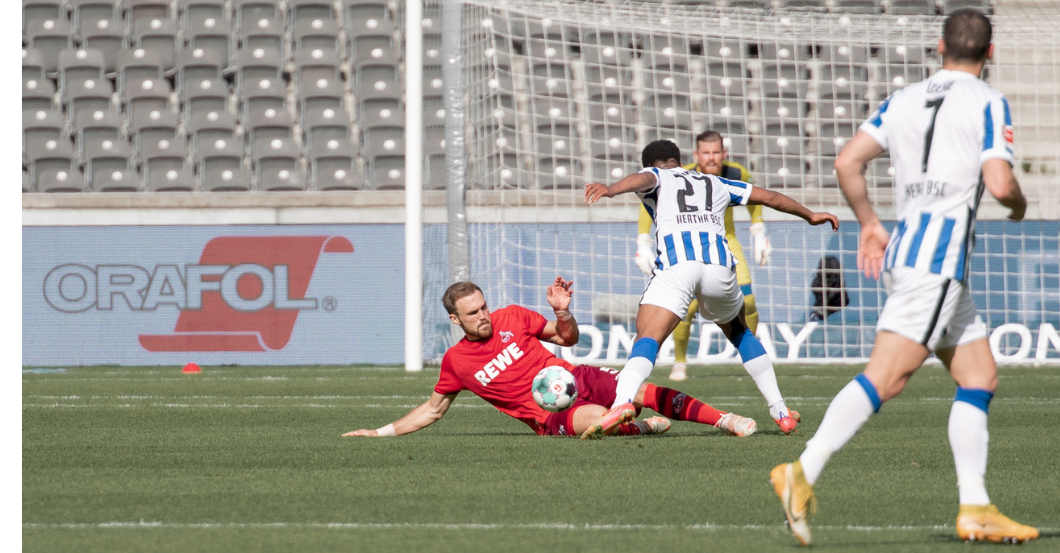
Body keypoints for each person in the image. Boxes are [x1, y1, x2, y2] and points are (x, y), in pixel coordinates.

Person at [769, 9, 1038, 546]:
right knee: (887, 378)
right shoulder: (988, 100)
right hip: (935, 264)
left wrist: (870, 223)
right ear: (989, 54)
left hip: (915, 257)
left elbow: (848, 161)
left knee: (979, 377)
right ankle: (801, 470)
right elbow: (1000, 181)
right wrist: (1017, 205)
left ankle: (975, 507)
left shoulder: (904, 98)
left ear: (939, 47)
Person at [583, 140, 838, 441]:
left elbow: (643, 179)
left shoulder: (657, 176)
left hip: (679, 266)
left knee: (648, 336)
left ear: (652, 164)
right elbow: (768, 196)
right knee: (741, 332)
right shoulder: (716, 182)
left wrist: (611, 189)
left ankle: (622, 401)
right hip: (719, 266)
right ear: (679, 160)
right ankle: (781, 411)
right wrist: (810, 215)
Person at [343, 278, 758, 439]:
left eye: (484, 307)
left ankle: (726, 420)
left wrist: (562, 311)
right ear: (455, 319)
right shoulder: (456, 362)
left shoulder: (513, 317)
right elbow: (432, 412)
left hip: (573, 374)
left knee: (642, 389)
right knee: (599, 419)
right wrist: (379, 433)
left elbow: (567, 338)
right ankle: (642, 429)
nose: (484, 316)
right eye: (473, 313)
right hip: (549, 417)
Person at [634, 131, 771, 383]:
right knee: (687, 308)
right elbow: (650, 201)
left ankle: (749, 352)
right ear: (696, 155)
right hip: (689, 243)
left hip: (726, 242)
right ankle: (680, 361)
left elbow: (755, 198)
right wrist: (643, 239)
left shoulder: (736, 173)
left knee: (748, 303)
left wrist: (758, 230)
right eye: (706, 153)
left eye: (716, 152)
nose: (711, 157)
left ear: (724, 153)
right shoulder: (681, 174)